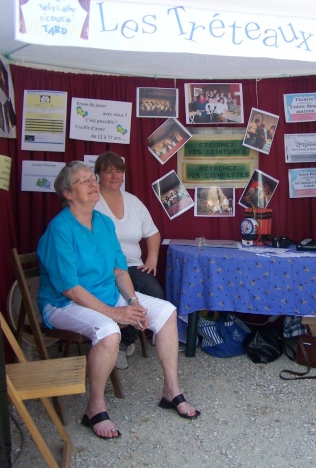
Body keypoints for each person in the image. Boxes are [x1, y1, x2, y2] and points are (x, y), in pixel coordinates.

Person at [37, 161, 200, 440]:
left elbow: (119, 269)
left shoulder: (102, 222)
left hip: (106, 295)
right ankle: (95, 408)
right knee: (109, 331)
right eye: (84, 180)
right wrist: (116, 313)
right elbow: (70, 289)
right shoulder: (59, 229)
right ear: (67, 193)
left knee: (167, 311)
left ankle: (171, 391)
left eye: (92, 179)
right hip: (63, 304)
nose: (93, 184)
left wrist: (133, 301)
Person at [94, 151, 165, 370]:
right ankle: (110, 341)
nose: (114, 176)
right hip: (102, 267)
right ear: (97, 175)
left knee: (155, 293)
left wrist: (152, 258)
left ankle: (125, 343)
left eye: (118, 171)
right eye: (108, 172)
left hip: (132, 265)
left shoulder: (133, 201)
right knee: (120, 296)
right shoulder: (91, 200)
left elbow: (152, 233)